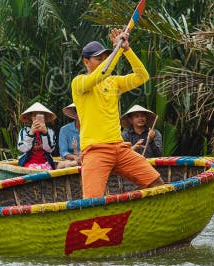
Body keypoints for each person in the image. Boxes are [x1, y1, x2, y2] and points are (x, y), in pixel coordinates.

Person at [71, 30, 165, 199]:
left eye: (105, 58)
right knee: (92, 202)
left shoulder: (114, 82)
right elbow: (102, 73)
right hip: (95, 151)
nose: (104, 61)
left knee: (157, 184)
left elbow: (142, 76)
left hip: (120, 149)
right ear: (86, 62)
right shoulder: (79, 83)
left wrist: (127, 50)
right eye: (99, 59)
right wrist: (118, 50)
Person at [16, 102, 57, 170]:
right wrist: (31, 133)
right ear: (31, 117)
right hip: (28, 162)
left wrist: (45, 133)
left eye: (40, 116)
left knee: (47, 169)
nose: (37, 118)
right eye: (35, 115)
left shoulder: (50, 131)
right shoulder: (24, 131)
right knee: (33, 169)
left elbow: (50, 149)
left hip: (45, 163)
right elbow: (23, 148)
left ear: (44, 117)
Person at [57, 103, 81, 167]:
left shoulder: (91, 129)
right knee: (68, 164)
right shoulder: (65, 130)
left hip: (87, 159)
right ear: (76, 114)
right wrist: (74, 157)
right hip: (69, 161)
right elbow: (63, 152)